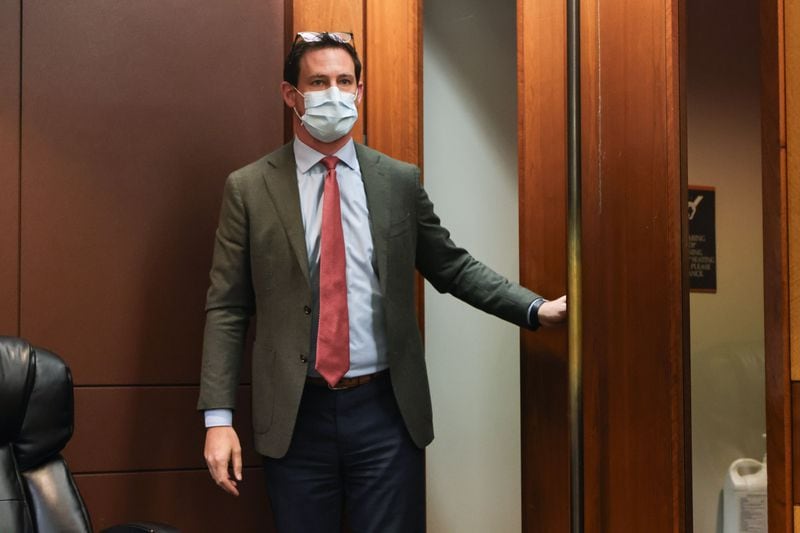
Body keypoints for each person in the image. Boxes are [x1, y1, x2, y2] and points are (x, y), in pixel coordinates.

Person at [198, 31, 567, 533]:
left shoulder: (397, 181)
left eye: (345, 81)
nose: (334, 93)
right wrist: (218, 420)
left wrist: (534, 308)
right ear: (292, 95)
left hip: (386, 413)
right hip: (294, 414)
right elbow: (228, 306)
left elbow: (452, 266)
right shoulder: (249, 188)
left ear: (359, 91)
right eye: (319, 82)